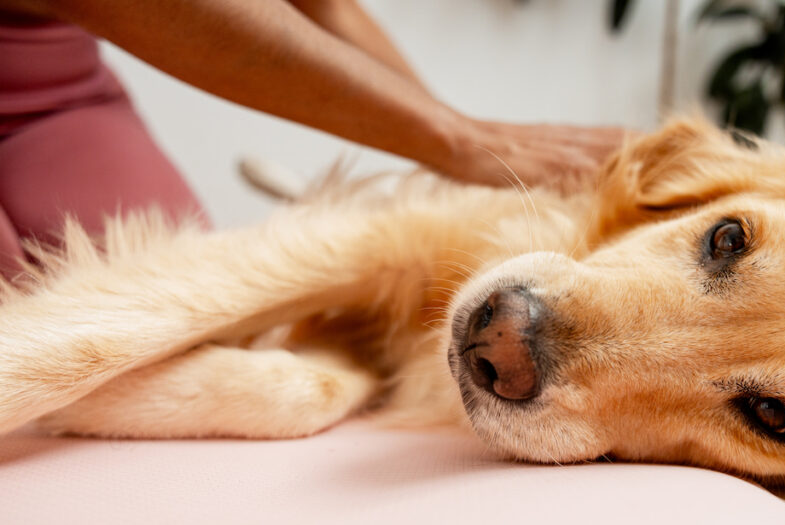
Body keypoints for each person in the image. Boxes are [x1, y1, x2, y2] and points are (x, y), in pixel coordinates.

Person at [0, 0, 625, 280]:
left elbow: (326, 8)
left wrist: (457, 160)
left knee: (183, 327)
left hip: (48, 77)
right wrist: (457, 139)